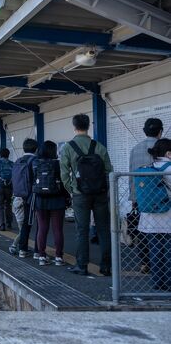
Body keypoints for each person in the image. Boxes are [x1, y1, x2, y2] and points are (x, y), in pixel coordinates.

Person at [60, 114, 113, 276]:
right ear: (89, 126)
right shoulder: (99, 146)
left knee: (81, 230)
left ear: (74, 126)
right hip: (100, 194)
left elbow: (64, 174)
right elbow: (109, 171)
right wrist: (104, 189)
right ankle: (106, 267)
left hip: (80, 195)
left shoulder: (68, 147)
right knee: (104, 229)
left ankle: (82, 265)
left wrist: (73, 189)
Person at [129, 118, 163, 274]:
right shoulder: (164, 147)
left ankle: (144, 263)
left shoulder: (135, 149)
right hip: (161, 196)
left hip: (141, 196)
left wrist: (133, 198)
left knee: (142, 230)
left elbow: (131, 176)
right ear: (160, 132)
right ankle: (162, 263)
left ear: (144, 131)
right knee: (162, 231)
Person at [136, 138, 171, 291]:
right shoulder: (169, 168)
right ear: (169, 153)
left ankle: (158, 282)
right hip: (167, 217)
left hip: (149, 219)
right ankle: (169, 283)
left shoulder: (149, 167)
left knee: (155, 251)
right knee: (168, 252)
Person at [32, 140, 69, 266]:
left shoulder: (35, 164)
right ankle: (58, 257)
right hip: (57, 200)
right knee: (57, 229)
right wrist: (67, 197)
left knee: (42, 228)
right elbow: (64, 182)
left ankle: (41, 256)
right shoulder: (58, 164)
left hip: (40, 200)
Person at [12, 138, 40, 259]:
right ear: (36, 149)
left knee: (25, 225)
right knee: (39, 223)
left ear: (24, 148)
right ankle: (38, 251)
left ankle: (22, 249)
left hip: (19, 196)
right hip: (32, 196)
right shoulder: (34, 160)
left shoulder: (18, 161)